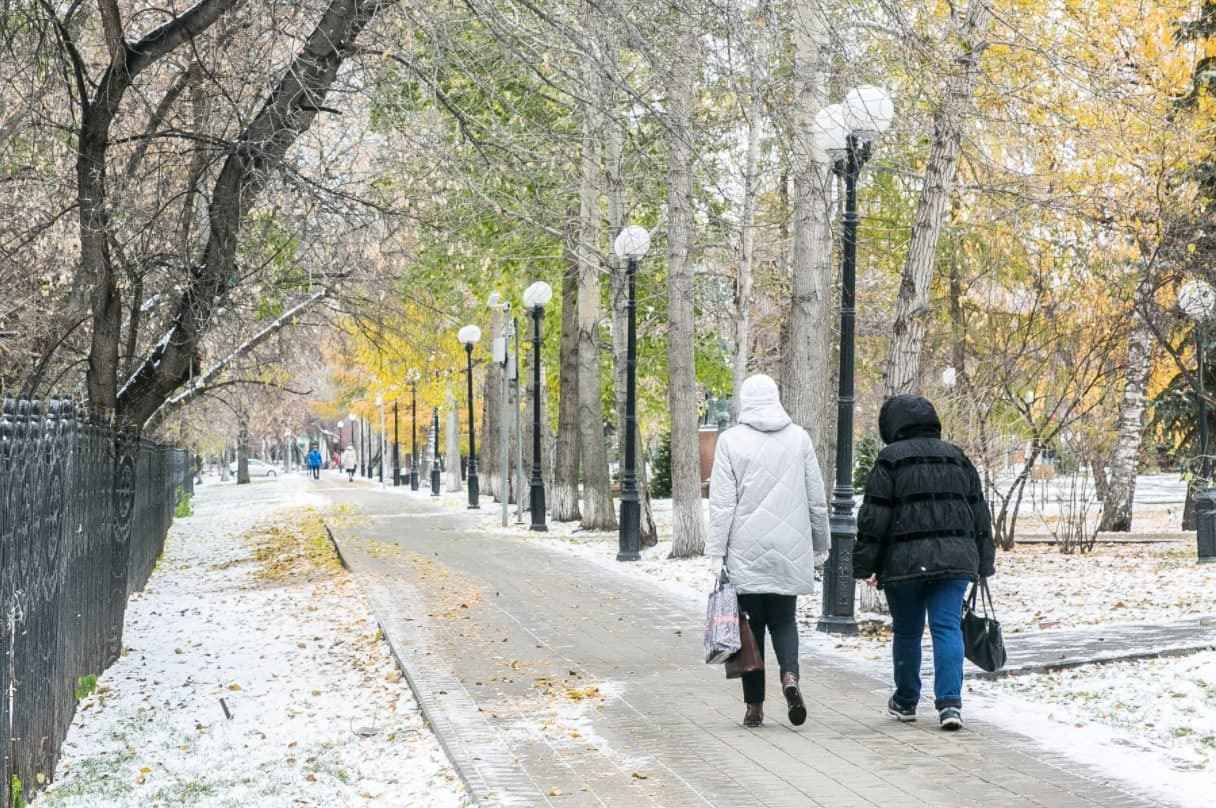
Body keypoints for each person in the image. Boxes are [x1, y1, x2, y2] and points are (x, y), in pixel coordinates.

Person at [854, 394, 996, 731]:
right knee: (947, 628)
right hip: (955, 560)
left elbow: (875, 518)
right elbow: (979, 513)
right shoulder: (957, 457)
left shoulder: (890, 459)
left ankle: (905, 701)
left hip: (904, 562)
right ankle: (950, 705)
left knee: (908, 631)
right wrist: (983, 561)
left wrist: (864, 565)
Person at [706, 374, 829, 728]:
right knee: (785, 620)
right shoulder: (799, 438)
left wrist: (717, 553)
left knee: (751, 628)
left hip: (745, 548)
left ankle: (754, 708)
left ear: (745, 401)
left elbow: (722, 505)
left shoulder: (731, 441)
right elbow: (815, 499)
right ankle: (790, 678)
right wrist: (820, 544)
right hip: (790, 546)